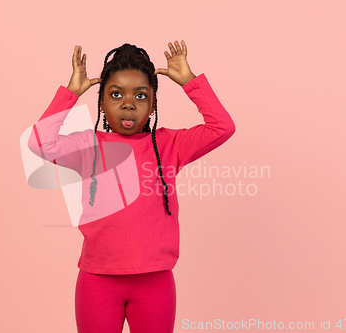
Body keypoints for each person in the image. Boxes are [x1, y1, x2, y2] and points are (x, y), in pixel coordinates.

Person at [28, 40, 236, 333]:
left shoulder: (170, 145)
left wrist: (190, 82)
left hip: (155, 282)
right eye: (116, 94)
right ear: (101, 101)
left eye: (140, 95)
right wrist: (71, 93)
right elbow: (39, 143)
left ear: (152, 105)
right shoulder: (88, 145)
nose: (128, 103)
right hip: (97, 282)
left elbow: (222, 127)